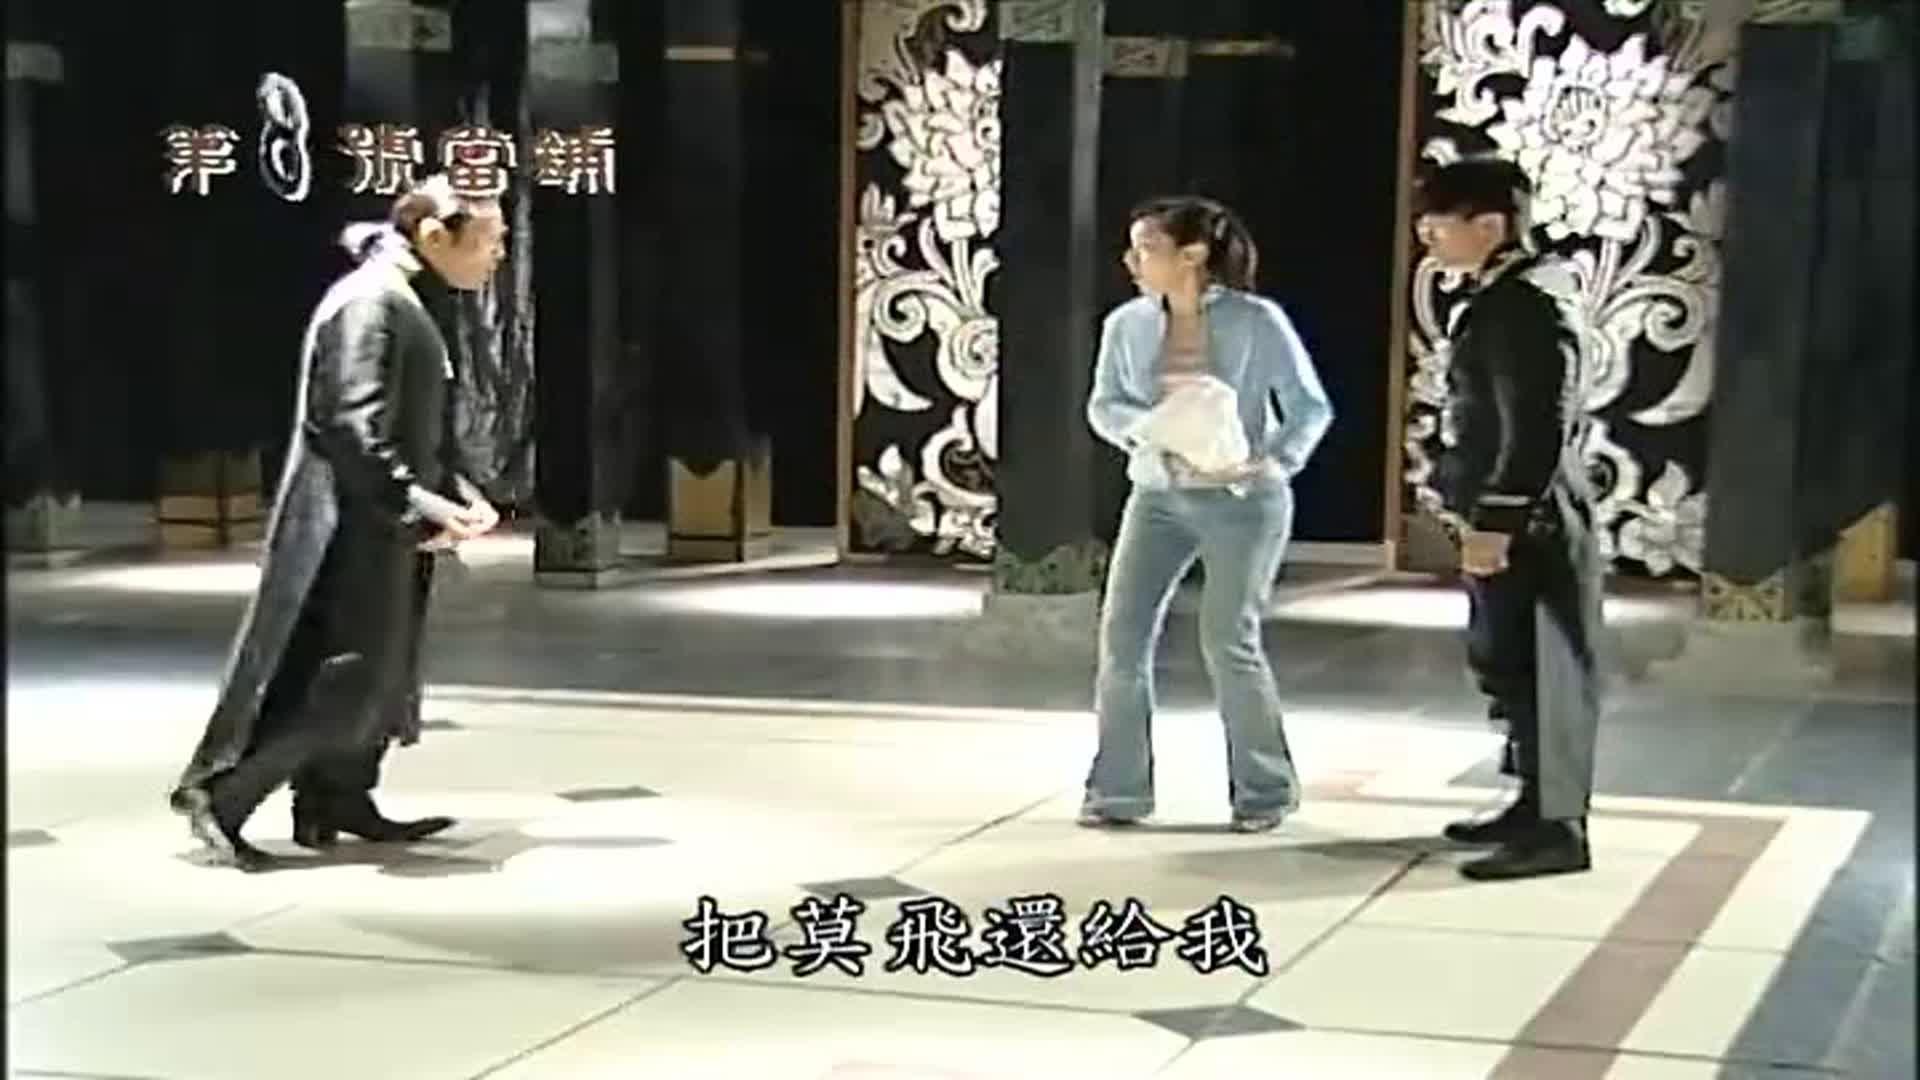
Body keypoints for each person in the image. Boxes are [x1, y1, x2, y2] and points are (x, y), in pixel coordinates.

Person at [169, 174, 507, 870]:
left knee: (381, 672)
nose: (499, 254)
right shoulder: (371, 304)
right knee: (342, 676)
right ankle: (222, 795)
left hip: (378, 523)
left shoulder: (404, 298)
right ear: (435, 236)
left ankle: (338, 797)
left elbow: (407, 430)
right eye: (490, 240)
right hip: (345, 527)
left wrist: (453, 493)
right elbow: (351, 427)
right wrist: (418, 502)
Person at [1080, 195, 1334, 833]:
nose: (1132, 262)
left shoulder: (1257, 321)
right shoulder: (1126, 325)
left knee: (1228, 640)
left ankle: (1265, 792)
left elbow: (1309, 407)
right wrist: (1150, 427)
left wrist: (1275, 463)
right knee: (1121, 641)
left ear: (1191, 255)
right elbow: (1104, 405)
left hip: (1242, 503)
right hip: (1157, 498)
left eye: (1147, 249)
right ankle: (1117, 792)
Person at [1414, 155, 1605, 882]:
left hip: (1535, 516)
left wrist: (1498, 520)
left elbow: (1537, 423)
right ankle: (1531, 803)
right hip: (1511, 513)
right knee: (1507, 659)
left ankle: (1559, 828)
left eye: (1439, 223)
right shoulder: (1503, 293)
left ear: (1490, 225)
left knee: (1546, 666)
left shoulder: (1527, 302)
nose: (1428, 237)